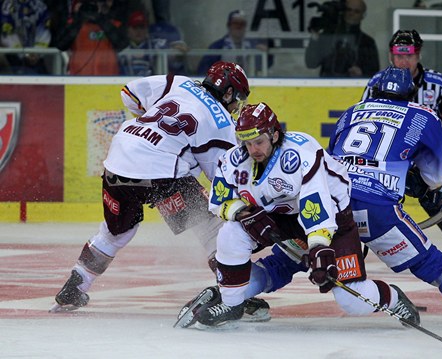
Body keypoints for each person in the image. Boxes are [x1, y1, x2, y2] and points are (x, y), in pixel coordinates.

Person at [50, 61, 269, 321]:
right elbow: (221, 179)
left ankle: (75, 287)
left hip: (118, 158)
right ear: (229, 92)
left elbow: (128, 94)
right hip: (161, 173)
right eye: (238, 98)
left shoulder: (179, 82)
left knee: (115, 231)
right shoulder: (222, 122)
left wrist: (150, 132)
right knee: (211, 229)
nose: (236, 106)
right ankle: (234, 294)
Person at [175, 102, 421, 329]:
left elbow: (316, 206)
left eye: (258, 141)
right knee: (231, 232)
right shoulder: (233, 160)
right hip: (282, 219)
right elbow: (218, 202)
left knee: (351, 300)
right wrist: (241, 213)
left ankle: (392, 297)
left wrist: (318, 249)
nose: (253, 150)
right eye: (247, 143)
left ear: (274, 134)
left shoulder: (302, 153)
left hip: (333, 223)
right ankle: (232, 303)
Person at [329, 66, 442, 327]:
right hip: (377, 209)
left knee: (290, 261)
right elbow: (436, 175)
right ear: (412, 93)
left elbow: (331, 161)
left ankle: (251, 293)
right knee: (433, 265)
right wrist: (419, 182)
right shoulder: (422, 114)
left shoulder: (352, 111)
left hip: (333, 206)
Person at [361, 29, 442, 266]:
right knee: (365, 197)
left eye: (409, 55)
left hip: (423, 156)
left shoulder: (436, 84)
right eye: (398, 56)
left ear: (418, 55)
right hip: (388, 156)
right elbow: (363, 118)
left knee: (436, 201)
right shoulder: (377, 83)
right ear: (391, 56)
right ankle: (351, 253)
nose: (404, 61)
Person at [304, 0, 379, 78]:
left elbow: (374, 73)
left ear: (362, 15)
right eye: (348, 10)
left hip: (355, 87)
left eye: (356, 11)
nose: (351, 14)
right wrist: (315, 36)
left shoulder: (367, 42)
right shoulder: (328, 37)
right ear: (343, 12)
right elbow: (311, 63)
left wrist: (361, 73)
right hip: (327, 86)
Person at [53, 0, 127, 75]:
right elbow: (61, 45)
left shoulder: (114, 24)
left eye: (94, 4)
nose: (90, 8)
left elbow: (122, 45)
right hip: (78, 78)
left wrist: (100, 18)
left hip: (108, 78)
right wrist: (79, 19)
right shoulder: (72, 24)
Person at [196, 10, 271, 76]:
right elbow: (203, 71)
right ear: (229, 25)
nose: (239, 26)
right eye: (235, 23)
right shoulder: (218, 46)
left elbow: (265, 65)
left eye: (242, 24)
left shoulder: (251, 46)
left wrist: (265, 54)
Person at [0, 0, 52, 74]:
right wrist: (23, 53)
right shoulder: (7, 5)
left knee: (43, 81)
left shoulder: (40, 5)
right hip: (13, 56)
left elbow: (44, 30)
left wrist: (36, 51)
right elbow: (7, 33)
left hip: (36, 57)